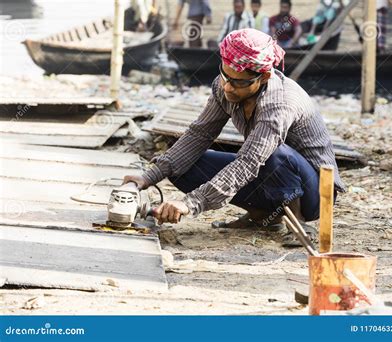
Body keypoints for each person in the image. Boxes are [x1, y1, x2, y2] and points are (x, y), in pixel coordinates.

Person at [123, 29, 345, 248]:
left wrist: (190, 204)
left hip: (315, 193)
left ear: (264, 77)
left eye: (239, 82)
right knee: (184, 166)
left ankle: (297, 222)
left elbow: (250, 161)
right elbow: (199, 134)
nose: (228, 86)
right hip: (268, 172)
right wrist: (147, 178)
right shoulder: (224, 88)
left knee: (276, 154)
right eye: (225, 76)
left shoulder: (280, 104)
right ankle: (264, 215)